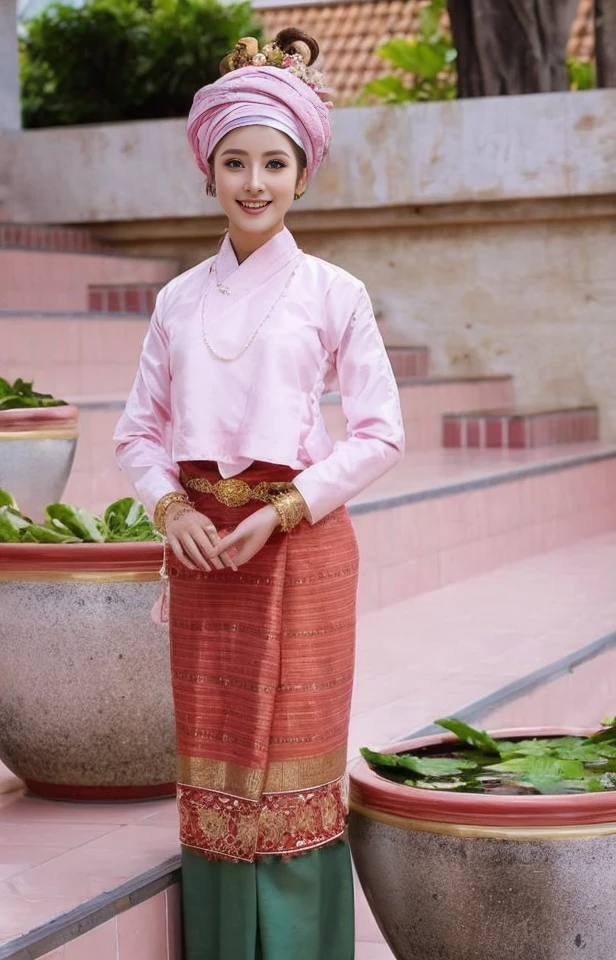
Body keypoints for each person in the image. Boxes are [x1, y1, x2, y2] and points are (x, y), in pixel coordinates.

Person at [114, 27, 404, 960]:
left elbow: (380, 432)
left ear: (302, 174)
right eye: (234, 161)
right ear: (209, 171)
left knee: (292, 761)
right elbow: (136, 432)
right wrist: (174, 510)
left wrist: (284, 509)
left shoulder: (335, 292)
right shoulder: (176, 302)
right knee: (217, 757)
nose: (254, 181)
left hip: (300, 544)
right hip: (206, 555)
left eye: (274, 162)